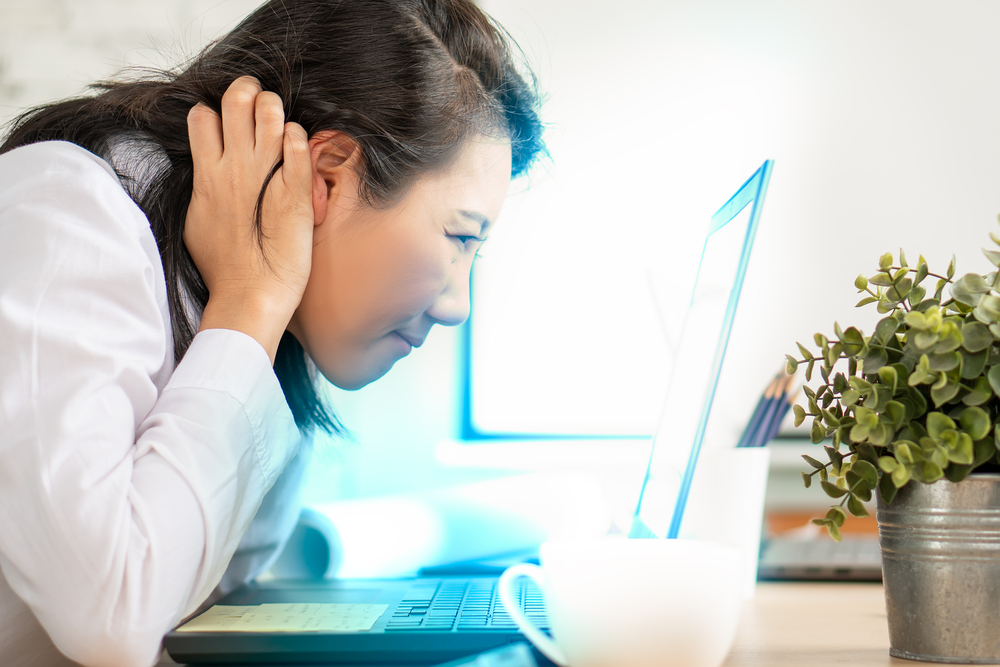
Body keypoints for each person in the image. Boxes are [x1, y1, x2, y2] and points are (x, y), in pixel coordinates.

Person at [0, 0, 545, 664]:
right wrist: (250, 303)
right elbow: (113, 618)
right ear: (325, 177)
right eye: (461, 236)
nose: (458, 306)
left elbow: (209, 607)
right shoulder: (68, 214)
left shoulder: (281, 335)